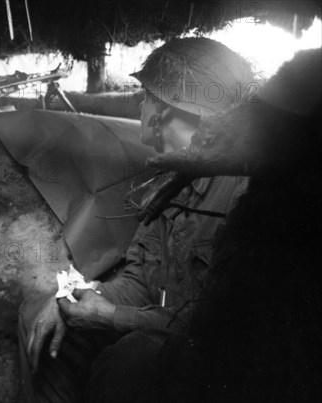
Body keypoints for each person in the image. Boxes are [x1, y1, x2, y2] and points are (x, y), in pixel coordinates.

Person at [18, 37, 255, 403]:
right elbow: (140, 281)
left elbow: (225, 327)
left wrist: (112, 316)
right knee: (45, 316)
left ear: (168, 110)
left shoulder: (245, 194)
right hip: (162, 339)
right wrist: (76, 298)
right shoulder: (168, 184)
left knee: (135, 357)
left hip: (223, 363)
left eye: (147, 99)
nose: (143, 111)